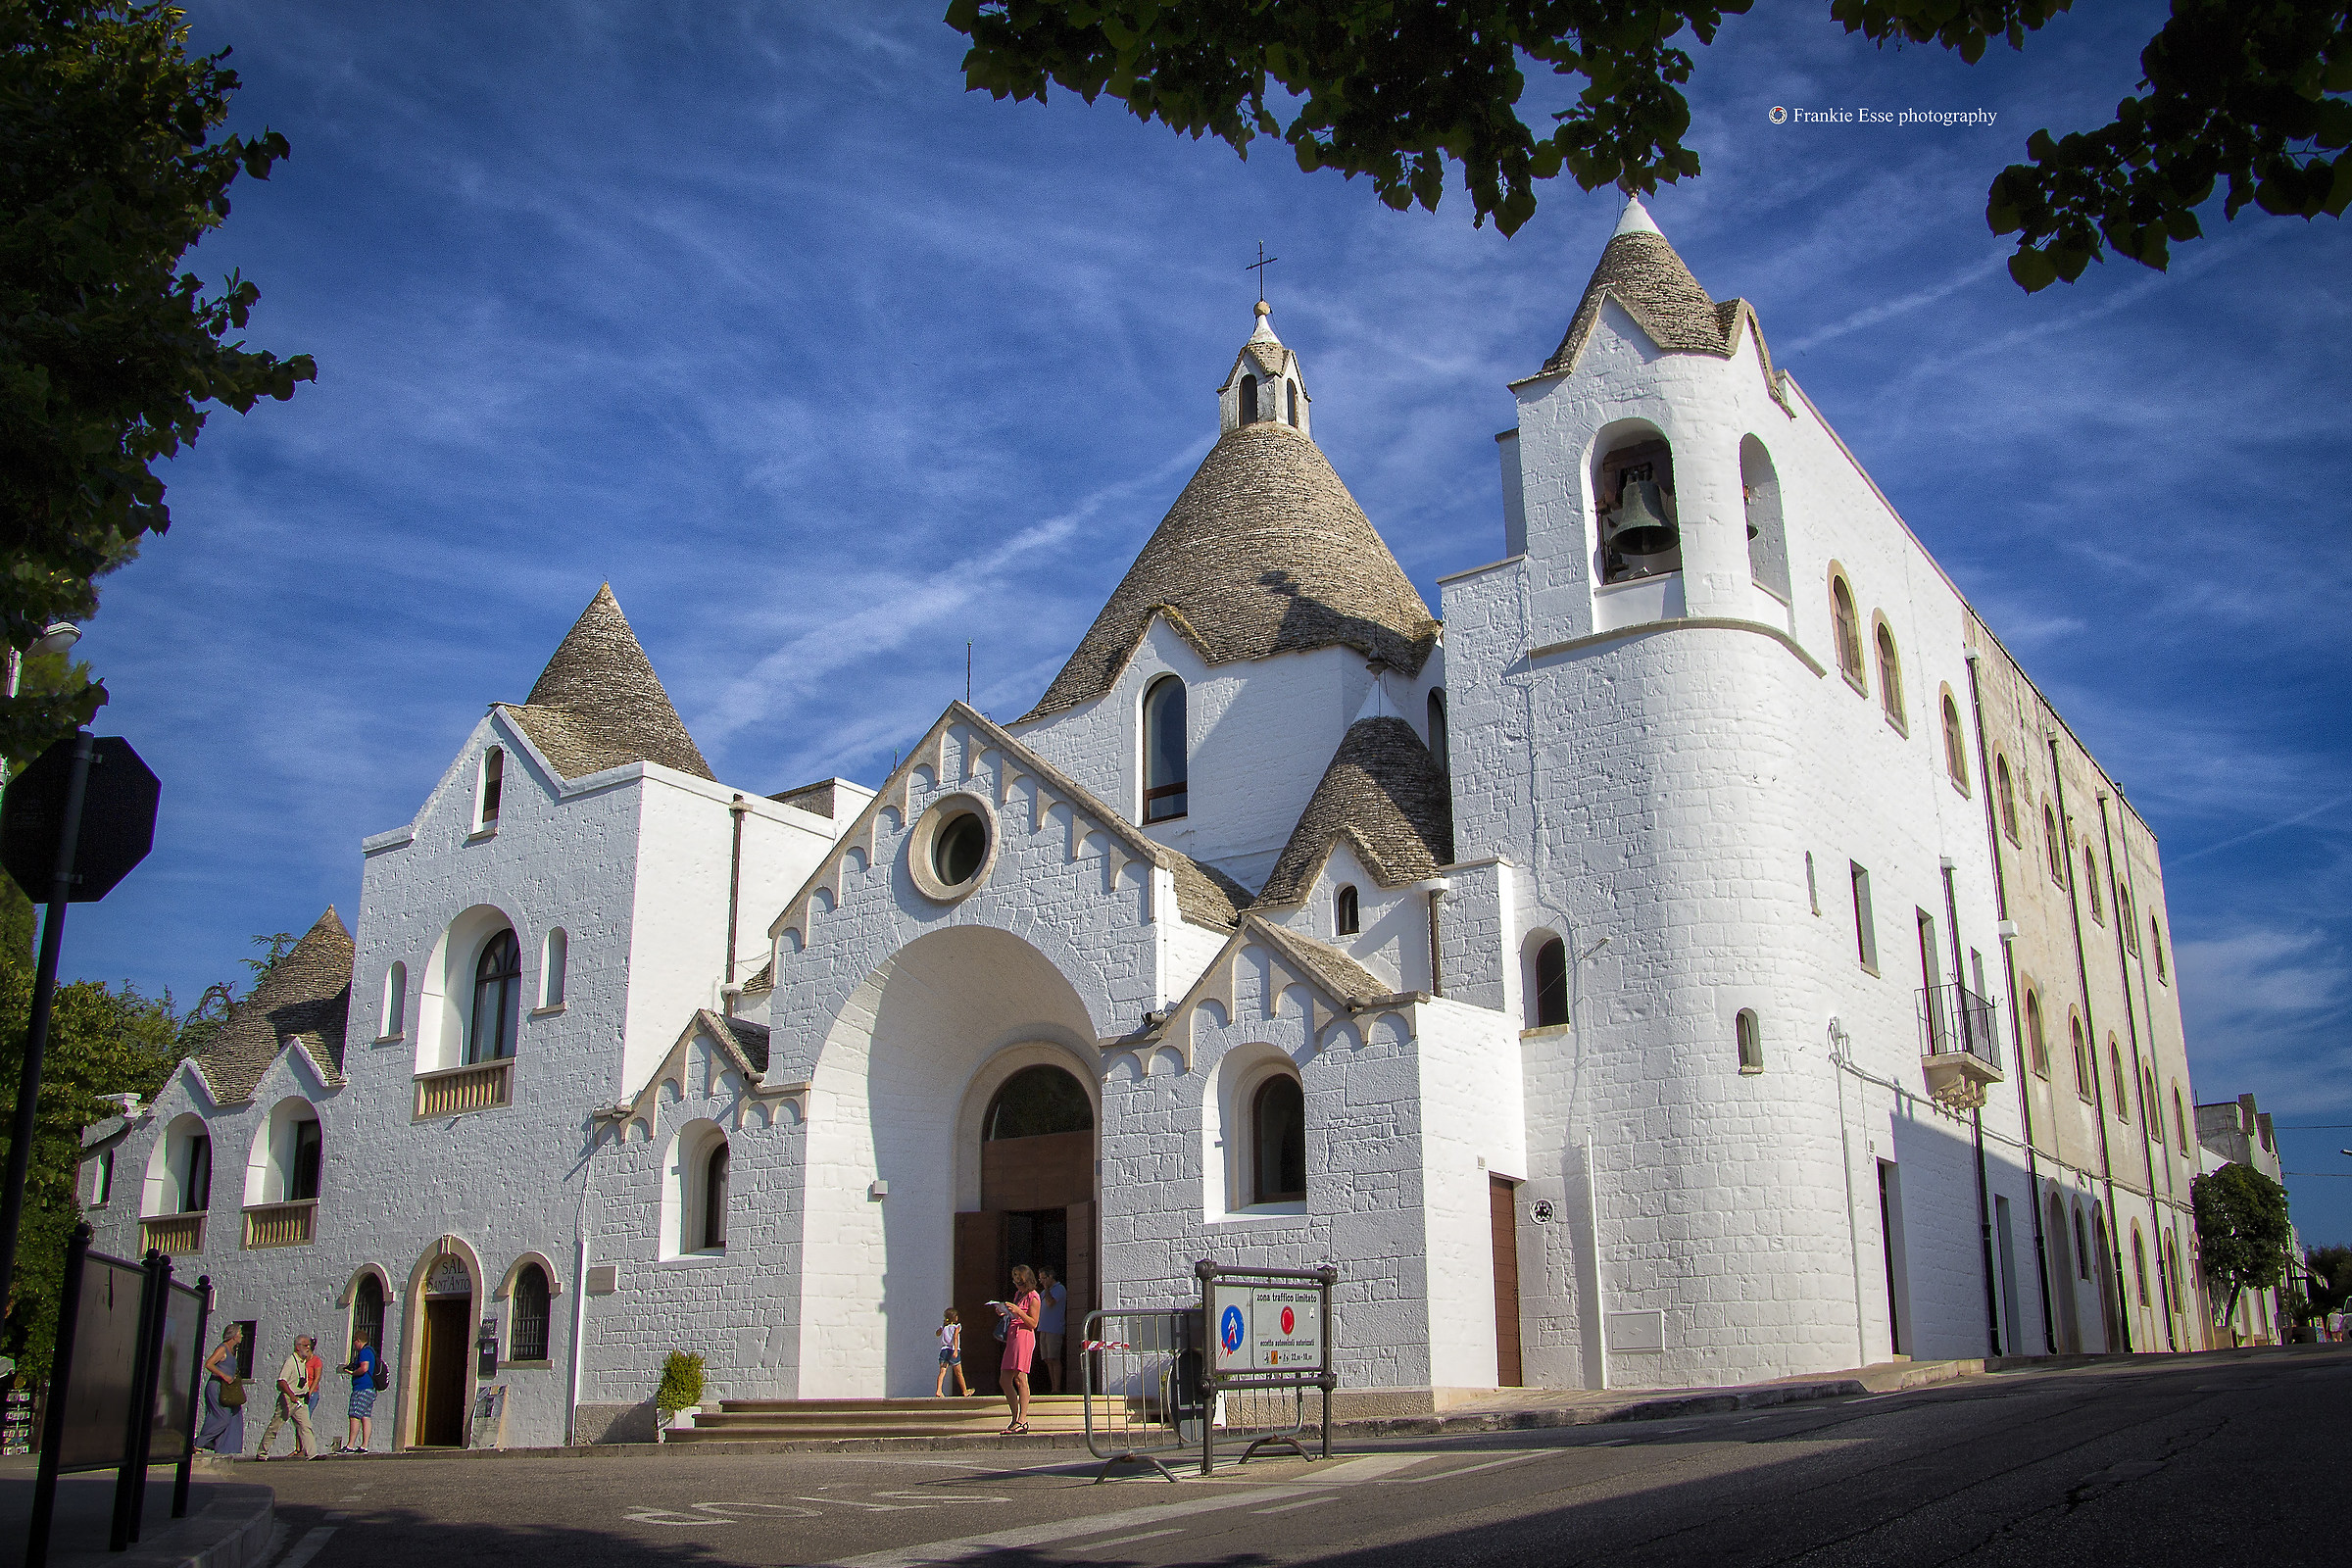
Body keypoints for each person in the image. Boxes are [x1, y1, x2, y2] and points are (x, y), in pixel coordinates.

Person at [257, 1336, 320, 1459]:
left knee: (306, 1426)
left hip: (300, 1400)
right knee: (275, 1426)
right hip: (289, 1399)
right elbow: (282, 1381)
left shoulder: (303, 1362)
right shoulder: (291, 1362)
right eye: (305, 1345)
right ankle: (262, 1453)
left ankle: (312, 1454)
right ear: (298, 1347)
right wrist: (291, 1395)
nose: (308, 1348)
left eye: (309, 1346)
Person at [996, 1264, 1041, 1435]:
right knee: (1005, 1379)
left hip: (1024, 1337)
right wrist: (1005, 1312)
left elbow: (1033, 1323)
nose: (1017, 1286)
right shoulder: (1018, 1295)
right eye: (1015, 1283)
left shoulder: (1034, 1297)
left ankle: (1022, 1419)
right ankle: (1015, 1417)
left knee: (1021, 1377)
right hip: (1013, 1336)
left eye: (1020, 1283)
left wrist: (1018, 1312)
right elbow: (1016, 1315)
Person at [197, 1324, 246, 1454]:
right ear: (234, 1335)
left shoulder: (232, 1351)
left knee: (234, 1417)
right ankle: (199, 1443)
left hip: (228, 1390)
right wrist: (224, 1376)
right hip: (217, 1388)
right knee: (222, 1418)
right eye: (240, 1333)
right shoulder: (222, 1349)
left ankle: (223, 1449)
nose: (242, 1336)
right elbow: (209, 1364)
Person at [340, 1332, 380, 1453]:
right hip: (371, 1389)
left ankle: (350, 1445)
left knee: (354, 1415)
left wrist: (353, 1373)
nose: (354, 1345)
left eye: (354, 1342)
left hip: (362, 1388)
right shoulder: (371, 1351)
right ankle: (364, 1445)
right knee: (365, 1416)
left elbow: (364, 1368)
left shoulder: (364, 1352)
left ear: (358, 1340)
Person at [1036, 1266, 1067, 1395]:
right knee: (1047, 1359)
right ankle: (1052, 1386)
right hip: (1043, 1328)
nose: (1042, 1281)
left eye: (1044, 1278)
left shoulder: (1059, 1289)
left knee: (1054, 1358)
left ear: (1050, 1277)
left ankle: (1057, 1388)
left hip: (1054, 1329)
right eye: (1040, 1279)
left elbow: (1050, 1303)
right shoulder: (1043, 1293)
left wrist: (1047, 1289)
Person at [934, 1308, 968, 1397]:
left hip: (944, 1350)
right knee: (959, 1373)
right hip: (952, 1349)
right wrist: (956, 1350)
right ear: (955, 1318)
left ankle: (939, 1390)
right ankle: (965, 1391)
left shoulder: (944, 1326)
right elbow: (955, 1337)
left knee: (942, 1371)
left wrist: (942, 1326)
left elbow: (937, 1333)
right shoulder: (957, 1326)